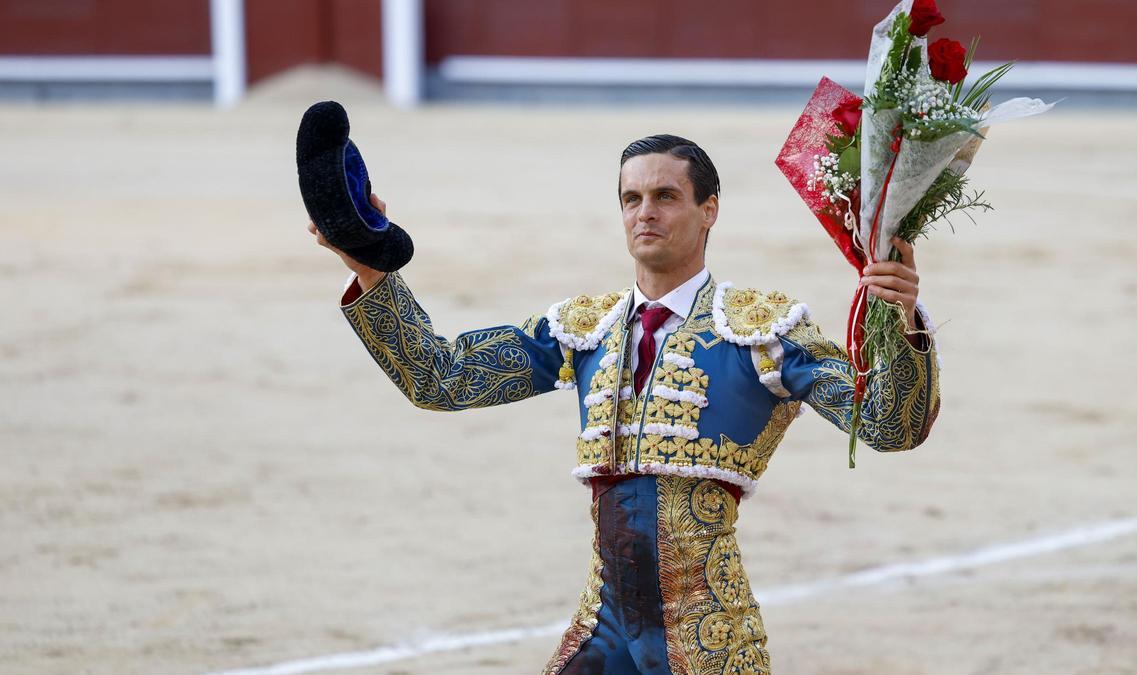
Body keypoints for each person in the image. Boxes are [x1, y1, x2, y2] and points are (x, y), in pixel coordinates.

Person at [308, 134, 940, 674]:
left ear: (708, 209)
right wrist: (368, 266)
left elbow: (888, 425)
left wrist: (902, 320)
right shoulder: (585, 328)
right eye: (631, 198)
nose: (646, 213)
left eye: (666, 196)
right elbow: (440, 378)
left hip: (707, 630)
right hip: (604, 625)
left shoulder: (763, 331)